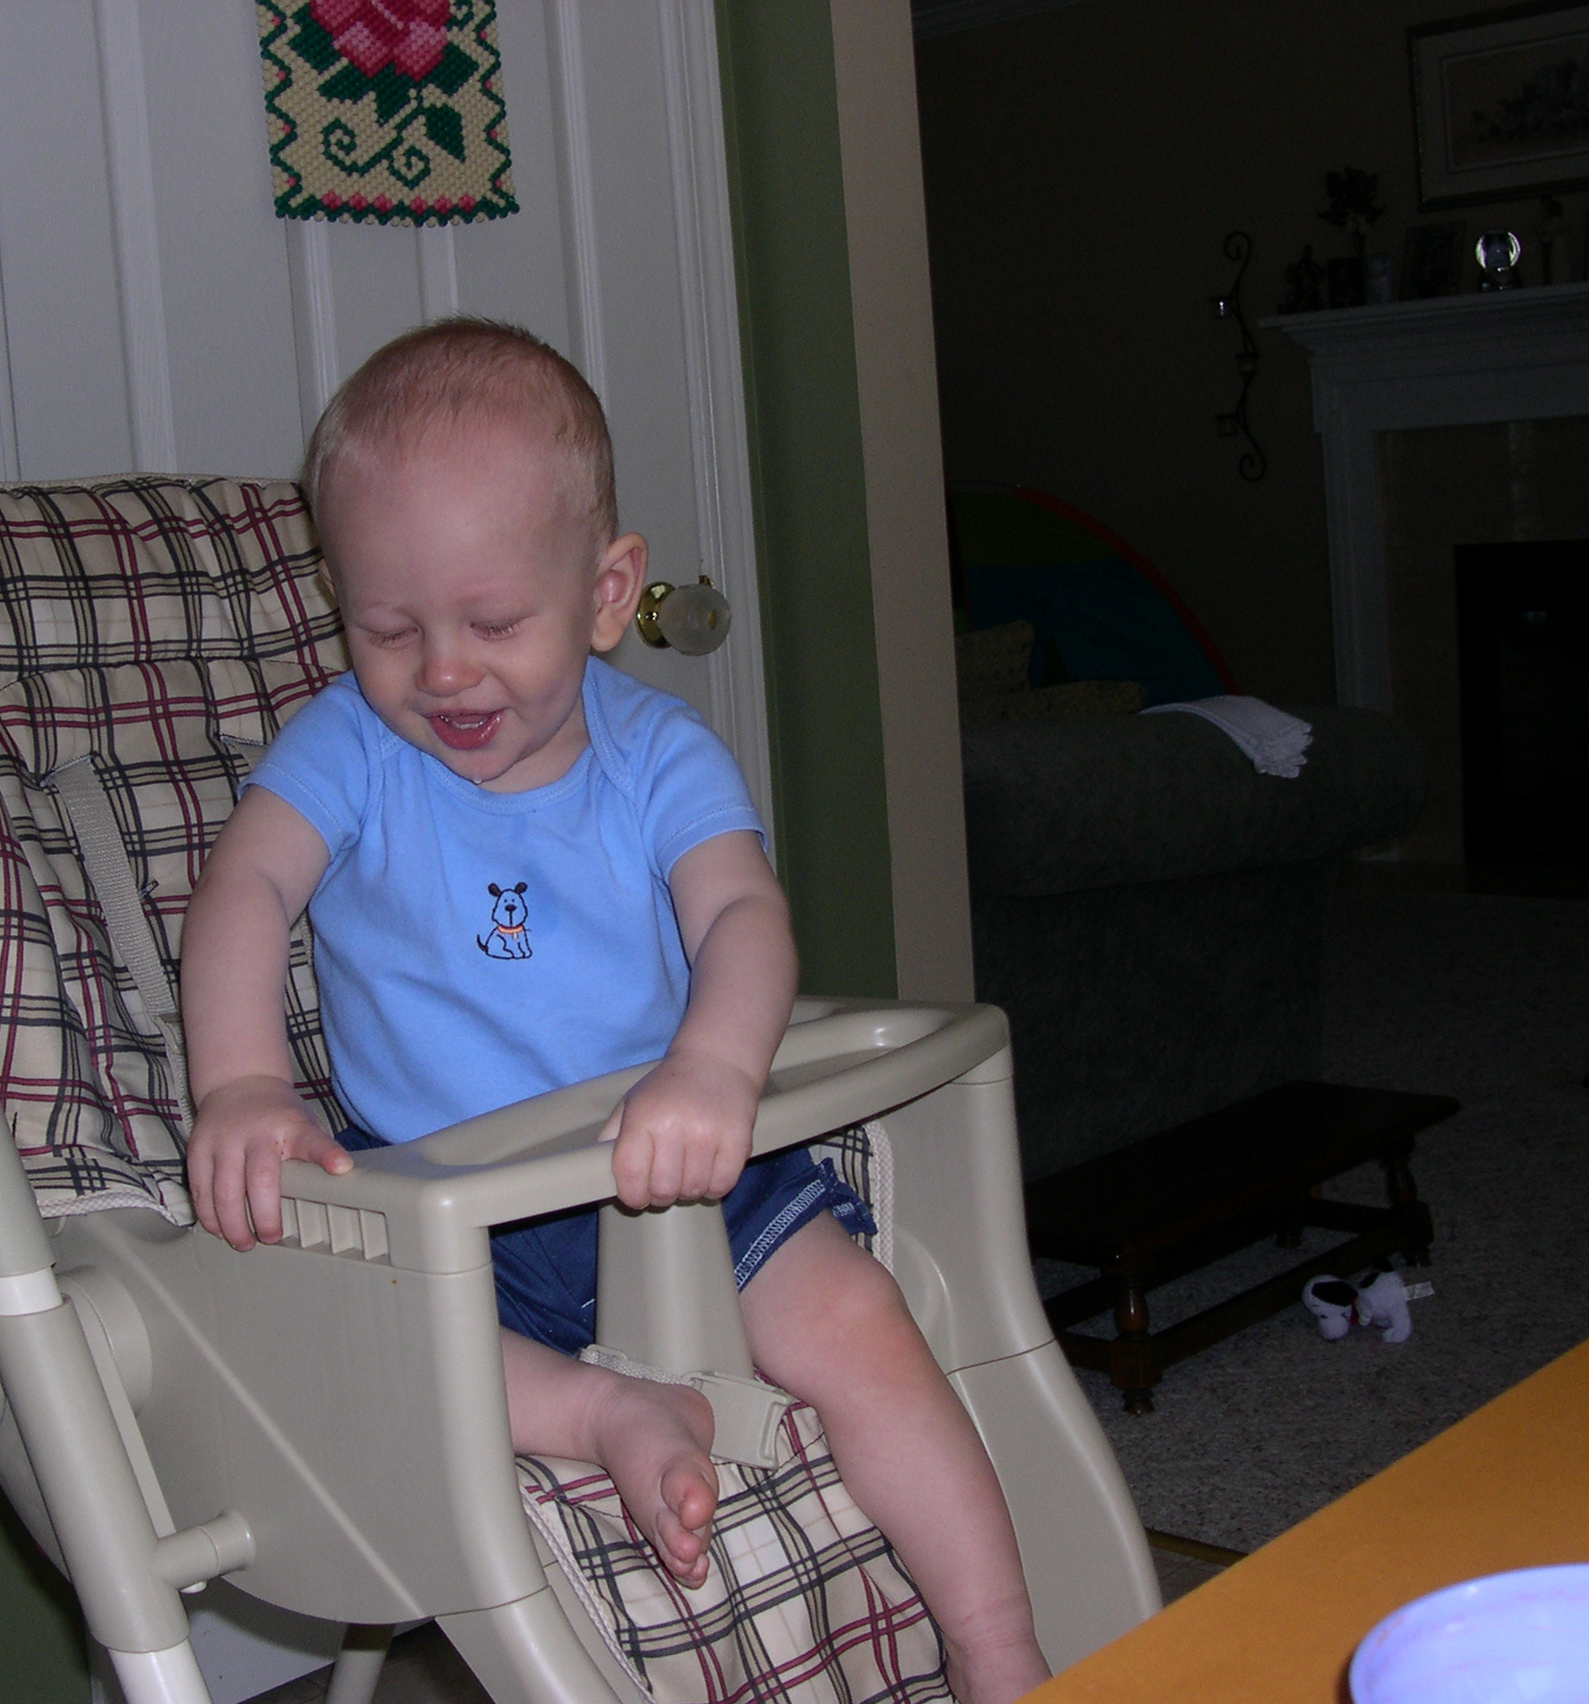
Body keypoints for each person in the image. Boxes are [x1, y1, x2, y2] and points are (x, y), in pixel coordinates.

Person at [179, 319, 1050, 1703]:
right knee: (380, 1350)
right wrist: (237, 1082)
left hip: (675, 1167)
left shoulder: (658, 757)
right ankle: (605, 1412)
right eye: (386, 628)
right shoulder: (345, 744)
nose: (443, 672)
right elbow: (242, 890)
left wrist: (713, 1067)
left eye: (495, 623)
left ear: (604, 592)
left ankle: (997, 1642)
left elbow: (743, 916)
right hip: (438, 1188)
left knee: (861, 1328)